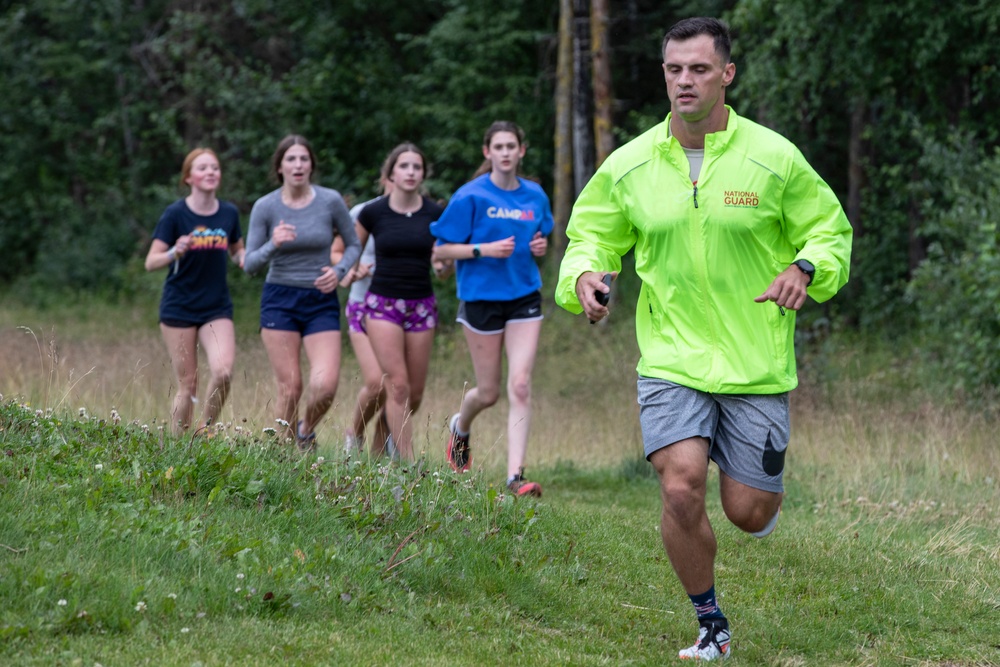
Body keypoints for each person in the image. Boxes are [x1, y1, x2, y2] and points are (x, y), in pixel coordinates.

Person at [556, 17, 853, 661]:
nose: (683, 81)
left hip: (755, 362)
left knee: (746, 510)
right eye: (673, 69)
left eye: (697, 69)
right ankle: (711, 624)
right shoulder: (631, 164)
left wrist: (806, 269)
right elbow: (592, 236)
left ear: (726, 74)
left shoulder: (772, 157)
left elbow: (829, 232)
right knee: (680, 483)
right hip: (671, 356)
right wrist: (583, 276)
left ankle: (756, 493)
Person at [430, 121, 553, 497]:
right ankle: (460, 428)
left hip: (523, 297)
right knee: (488, 393)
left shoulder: (534, 195)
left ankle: (515, 476)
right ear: (487, 152)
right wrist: (482, 250)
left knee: (520, 383)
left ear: (521, 151)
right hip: (481, 299)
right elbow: (441, 250)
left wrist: (539, 247)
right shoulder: (470, 196)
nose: (504, 152)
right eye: (497, 146)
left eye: (510, 146)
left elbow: (541, 236)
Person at [243, 134, 360, 450]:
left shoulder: (330, 201)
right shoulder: (265, 206)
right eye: (291, 159)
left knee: (325, 386)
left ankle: (305, 431)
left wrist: (338, 272)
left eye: (303, 159)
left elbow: (353, 244)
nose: (298, 165)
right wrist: (273, 243)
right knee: (291, 387)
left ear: (311, 165)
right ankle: (283, 459)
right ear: (279, 167)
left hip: (320, 299)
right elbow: (249, 263)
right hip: (279, 298)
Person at [353, 143, 444, 460]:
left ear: (423, 174)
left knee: (414, 394)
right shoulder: (373, 212)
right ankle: (406, 466)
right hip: (382, 306)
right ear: (391, 173)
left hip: (421, 306)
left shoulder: (434, 214)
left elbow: (443, 260)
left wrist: (443, 266)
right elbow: (349, 252)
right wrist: (353, 269)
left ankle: (379, 449)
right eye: (404, 166)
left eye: (416, 167)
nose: (410, 172)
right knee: (398, 386)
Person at [145, 148, 245, 435]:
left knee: (224, 372)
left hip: (216, 306)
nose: (211, 172)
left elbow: (237, 249)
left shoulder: (228, 212)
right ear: (188, 177)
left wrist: (245, 259)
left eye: (215, 167)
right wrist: (175, 251)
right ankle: (179, 446)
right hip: (179, 307)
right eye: (203, 168)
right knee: (188, 385)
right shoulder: (176, 214)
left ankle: (205, 431)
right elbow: (151, 262)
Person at [333, 170, 393, 458]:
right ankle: (354, 435)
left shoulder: (421, 213)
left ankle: (380, 456)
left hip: (404, 309)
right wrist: (352, 271)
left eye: (414, 169)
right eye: (397, 172)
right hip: (364, 306)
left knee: (401, 387)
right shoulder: (365, 211)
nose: (405, 177)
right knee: (377, 382)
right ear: (385, 178)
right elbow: (337, 253)